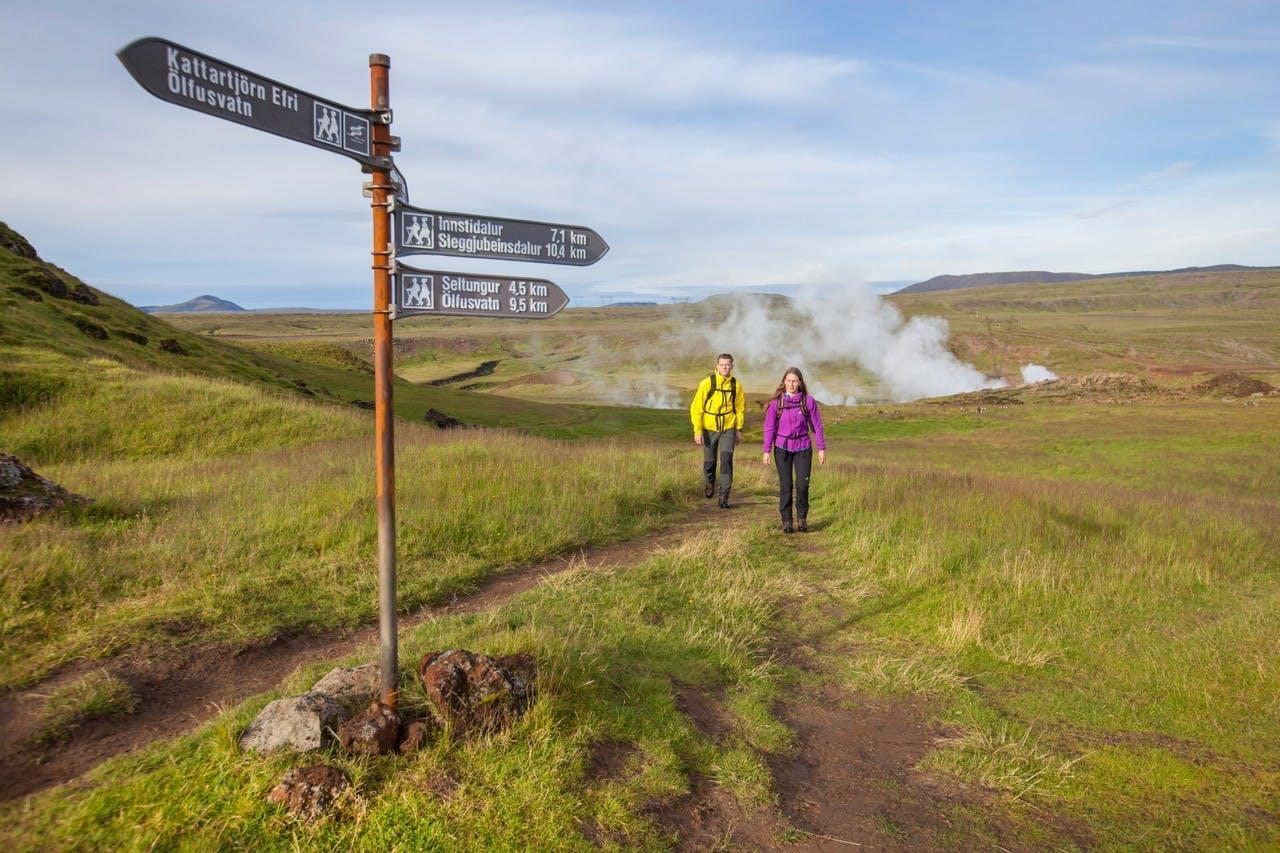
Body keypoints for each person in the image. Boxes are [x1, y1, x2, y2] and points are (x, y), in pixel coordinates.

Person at [761, 367, 826, 533]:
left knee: (802, 485)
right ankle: (787, 521)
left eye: (795, 381)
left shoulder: (808, 401)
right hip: (782, 448)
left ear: (800, 383)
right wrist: (766, 450)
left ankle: (802, 518)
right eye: (789, 380)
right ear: (784, 382)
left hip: (803, 447)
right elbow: (769, 427)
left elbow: (817, 426)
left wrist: (821, 448)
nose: (791, 384)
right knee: (786, 486)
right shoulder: (776, 403)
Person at [690, 353, 745, 509]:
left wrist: (739, 429)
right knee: (709, 462)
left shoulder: (736, 385)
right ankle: (709, 482)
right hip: (709, 428)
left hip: (728, 427)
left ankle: (724, 496)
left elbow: (740, 408)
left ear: (732, 366)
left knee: (726, 460)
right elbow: (696, 408)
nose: (725, 368)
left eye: (728, 365)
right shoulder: (706, 384)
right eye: (722, 365)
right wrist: (697, 430)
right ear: (717, 365)